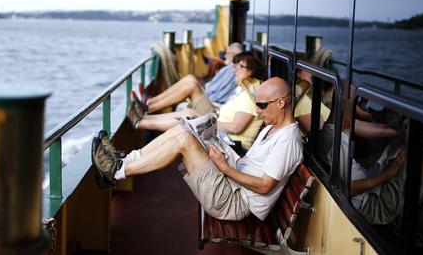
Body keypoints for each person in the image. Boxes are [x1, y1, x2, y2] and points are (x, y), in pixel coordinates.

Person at [92, 77, 303, 221]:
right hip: (233, 181)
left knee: (185, 139)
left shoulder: (288, 140)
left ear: (282, 103)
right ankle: (126, 161)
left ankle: (117, 171)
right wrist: (219, 150)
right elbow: (251, 167)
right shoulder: (273, 129)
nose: (257, 111)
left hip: (235, 202)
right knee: (185, 127)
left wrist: (225, 167)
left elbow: (265, 186)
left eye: (262, 105)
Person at [321, 99, 423, 225]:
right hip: (374, 206)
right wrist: (389, 173)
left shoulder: (329, 133)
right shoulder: (333, 143)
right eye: (352, 104)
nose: (355, 111)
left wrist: (397, 135)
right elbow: (349, 188)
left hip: (372, 184)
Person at [130, 52, 267, 153]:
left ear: (250, 72)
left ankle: (143, 116)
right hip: (219, 125)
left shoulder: (250, 96)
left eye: (239, 66)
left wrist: (206, 120)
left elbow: (235, 128)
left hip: (229, 143)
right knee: (190, 89)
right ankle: (144, 114)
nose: (234, 69)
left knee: (190, 112)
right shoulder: (244, 90)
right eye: (235, 65)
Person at [139, 43, 243, 115]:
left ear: (233, 55)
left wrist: (201, 91)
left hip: (214, 104)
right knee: (189, 78)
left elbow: (218, 95)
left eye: (227, 53)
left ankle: (149, 107)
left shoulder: (231, 69)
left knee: (191, 84)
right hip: (211, 98)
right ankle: (150, 101)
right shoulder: (232, 68)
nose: (225, 55)